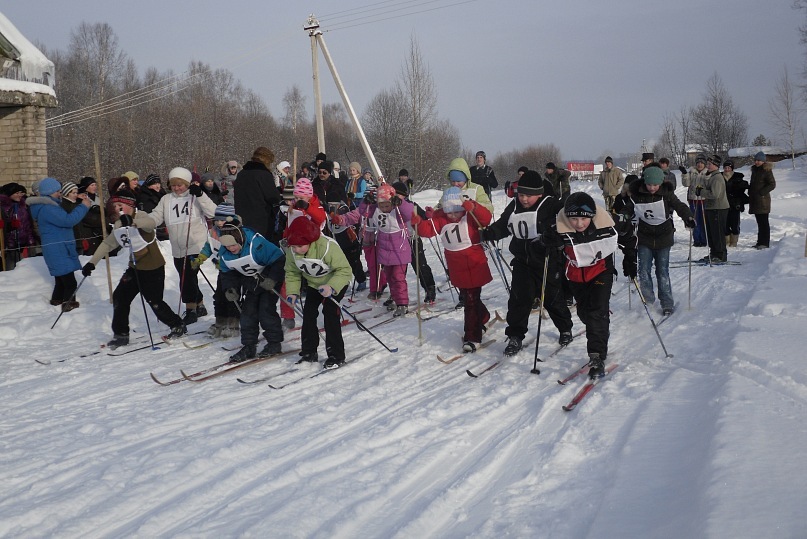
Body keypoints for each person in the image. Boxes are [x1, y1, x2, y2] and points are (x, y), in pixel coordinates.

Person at [540, 192, 636, 378]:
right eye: (573, 219)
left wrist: (630, 260)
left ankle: (597, 355)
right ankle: (599, 324)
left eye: (583, 219)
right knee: (585, 313)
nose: (578, 224)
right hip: (575, 276)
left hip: (601, 272)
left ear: (592, 216)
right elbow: (545, 240)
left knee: (596, 313)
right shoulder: (559, 228)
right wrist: (546, 241)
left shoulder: (608, 222)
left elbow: (628, 235)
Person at [481, 171, 573, 355]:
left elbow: (566, 224)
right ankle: (515, 336)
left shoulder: (550, 205)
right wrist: (489, 233)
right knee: (519, 299)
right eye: (521, 194)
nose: (524, 199)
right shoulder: (515, 205)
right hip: (522, 261)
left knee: (553, 299)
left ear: (539, 194)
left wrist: (554, 236)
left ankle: (565, 328)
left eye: (528, 196)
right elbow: (503, 225)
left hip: (546, 260)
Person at [81, 188, 187, 347]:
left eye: (120, 205)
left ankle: (177, 325)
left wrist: (133, 222)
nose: (117, 209)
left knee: (155, 302)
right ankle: (121, 334)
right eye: (115, 206)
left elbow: (150, 224)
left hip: (153, 268)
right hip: (134, 268)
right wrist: (92, 262)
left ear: (129, 205)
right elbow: (108, 243)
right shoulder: (118, 224)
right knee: (120, 297)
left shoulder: (141, 216)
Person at [413, 186, 492, 352]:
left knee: (470, 301)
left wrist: (474, 207)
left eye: (457, 212)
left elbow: (485, 219)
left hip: (474, 264)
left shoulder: (469, 215)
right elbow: (428, 230)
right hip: (456, 268)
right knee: (469, 296)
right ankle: (483, 316)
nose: (454, 216)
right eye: (450, 213)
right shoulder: (442, 218)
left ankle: (472, 336)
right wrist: (418, 223)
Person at [615, 168, 694, 315]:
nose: (652, 188)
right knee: (643, 270)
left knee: (662, 271)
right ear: (645, 182)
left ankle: (667, 303)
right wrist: (621, 218)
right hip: (645, 237)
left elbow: (679, 206)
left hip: (664, 237)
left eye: (655, 185)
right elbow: (627, 210)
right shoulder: (637, 195)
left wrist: (688, 217)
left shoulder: (666, 193)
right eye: (649, 184)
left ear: (660, 183)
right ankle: (648, 301)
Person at [148, 167, 218, 324]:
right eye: (173, 185)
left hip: (195, 245)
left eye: (180, 185)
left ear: (187, 184)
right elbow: (156, 216)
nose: (177, 188)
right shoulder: (166, 200)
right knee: (186, 276)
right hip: (177, 247)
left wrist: (200, 194)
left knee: (187, 277)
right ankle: (199, 304)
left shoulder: (195, 196)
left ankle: (190, 309)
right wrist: (143, 221)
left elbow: (213, 212)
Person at [283, 216, 352, 368]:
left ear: (310, 240)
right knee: (308, 314)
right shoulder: (292, 251)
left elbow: (345, 270)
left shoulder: (327, 247)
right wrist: (293, 292)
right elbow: (292, 272)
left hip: (336, 282)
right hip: (315, 284)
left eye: (300, 246)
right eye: (293, 246)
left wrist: (332, 287)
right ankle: (309, 352)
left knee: (330, 314)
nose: (296, 250)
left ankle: (336, 355)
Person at [334, 183, 412, 315]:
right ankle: (394, 299)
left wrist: (401, 202)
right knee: (390, 277)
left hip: (399, 250)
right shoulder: (376, 209)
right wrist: (366, 201)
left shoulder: (397, 211)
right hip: (384, 250)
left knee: (398, 278)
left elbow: (409, 212)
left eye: (387, 205)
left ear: (392, 203)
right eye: (381, 205)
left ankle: (402, 303)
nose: (384, 208)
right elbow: (363, 212)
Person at [216, 221, 286, 362]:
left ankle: (274, 343)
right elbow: (228, 273)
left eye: (233, 245)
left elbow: (279, 259)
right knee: (247, 313)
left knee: (266, 310)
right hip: (251, 282)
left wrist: (272, 279)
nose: (231, 249)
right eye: (227, 246)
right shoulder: (225, 253)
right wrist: (230, 289)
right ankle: (249, 346)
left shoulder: (257, 244)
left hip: (269, 279)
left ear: (240, 239)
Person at [27, 178, 91, 311]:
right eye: (58, 191)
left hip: (57, 247)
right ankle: (68, 306)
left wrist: (78, 199)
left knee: (61, 280)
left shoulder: (50, 206)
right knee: (70, 282)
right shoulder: (48, 208)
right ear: (49, 192)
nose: (60, 194)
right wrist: (83, 206)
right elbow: (68, 220)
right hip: (58, 249)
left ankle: (56, 302)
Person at [278, 178, 327, 329]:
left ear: (309, 196)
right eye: (296, 197)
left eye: (302, 197)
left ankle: (331, 311)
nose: (298, 200)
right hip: (295, 248)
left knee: (320, 280)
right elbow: (289, 225)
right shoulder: (293, 208)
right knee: (288, 280)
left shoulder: (315, 206)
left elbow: (321, 218)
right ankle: (287, 315)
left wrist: (307, 207)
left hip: (313, 248)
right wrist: (285, 238)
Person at [191, 204, 243, 339]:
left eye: (223, 219)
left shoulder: (235, 230)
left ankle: (233, 324)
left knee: (231, 295)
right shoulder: (214, 231)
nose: (219, 222)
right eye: (217, 220)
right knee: (219, 296)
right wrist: (200, 258)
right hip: (223, 270)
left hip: (235, 269)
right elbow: (209, 247)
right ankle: (220, 321)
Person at [393, 180, 437, 304]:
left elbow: (424, 217)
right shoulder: (390, 207)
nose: (396, 197)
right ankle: (396, 294)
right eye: (394, 195)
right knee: (398, 270)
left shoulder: (412, 205)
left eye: (398, 195)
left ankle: (430, 288)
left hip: (413, 239)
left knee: (420, 265)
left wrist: (428, 215)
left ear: (404, 195)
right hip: (398, 241)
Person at [234, 147, 282, 242]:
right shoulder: (263, 175)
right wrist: (278, 191)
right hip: (261, 221)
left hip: (242, 218)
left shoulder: (241, 174)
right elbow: (273, 197)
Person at [698, 155, 729, 263]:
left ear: (716, 165)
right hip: (711, 208)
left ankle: (721, 255)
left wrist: (702, 192)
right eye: (708, 164)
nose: (708, 166)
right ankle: (714, 253)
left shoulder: (717, 177)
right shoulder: (711, 176)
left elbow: (715, 194)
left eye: (710, 164)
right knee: (711, 232)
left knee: (717, 233)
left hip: (718, 208)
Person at [1, 182, 36, 270]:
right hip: (9, 245)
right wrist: (8, 225)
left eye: (20, 192)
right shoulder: (4, 207)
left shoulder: (22, 206)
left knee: (21, 268)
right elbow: (3, 227)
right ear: (9, 194)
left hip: (21, 243)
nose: (20, 195)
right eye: (17, 193)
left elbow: (27, 225)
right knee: (10, 268)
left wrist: (30, 241)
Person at [749, 151, 776, 249]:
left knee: (764, 223)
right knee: (760, 223)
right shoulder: (755, 170)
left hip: (763, 201)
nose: (756, 162)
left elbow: (772, 184)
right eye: (756, 160)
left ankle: (764, 243)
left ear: (763, 161)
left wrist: (761, 193)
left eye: (759, 160)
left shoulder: (766, 170)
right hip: (755, 200)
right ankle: (760, 242)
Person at [680, 154, 708, 247]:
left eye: (701, 163)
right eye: (698, 163)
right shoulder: (692, 172)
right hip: (693, 199)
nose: (700, 165)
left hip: (703, 200)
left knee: (703, 220)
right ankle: (697, 239)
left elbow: (709, 185)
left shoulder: (707, 173)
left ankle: (704, 239)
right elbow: (686, 184)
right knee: (695, 220)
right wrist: (684, 174)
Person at [723, 160, 749, 247]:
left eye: (729, 168)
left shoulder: (737, 176)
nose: (727, 169)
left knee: (735, 223)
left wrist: (740, 186)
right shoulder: (720, 177)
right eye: (725, 168)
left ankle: (734, 241)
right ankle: (726, 241)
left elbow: (744, 187)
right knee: (725, 223)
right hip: (723, 203)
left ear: (732, 168)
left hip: (735, 204)